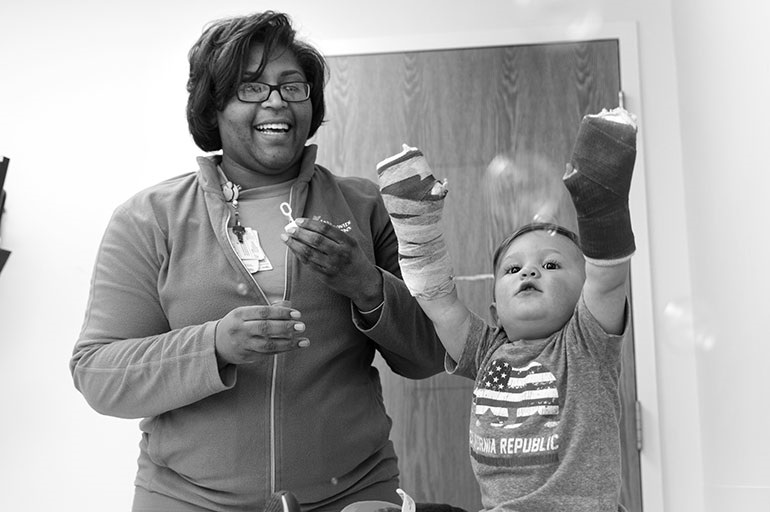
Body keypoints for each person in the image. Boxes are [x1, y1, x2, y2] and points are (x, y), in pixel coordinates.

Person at [69, 11, 446, 512]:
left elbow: (428, 356)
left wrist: (367, 286)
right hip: (186, 498)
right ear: (213, 105)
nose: (276, 100)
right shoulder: (149, 219)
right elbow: (98, 373)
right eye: (251, 87)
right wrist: (214, 345)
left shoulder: (365, 207)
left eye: (293, 86)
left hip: (353, 495)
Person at [376, 107, 638, 511]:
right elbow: (437, 300)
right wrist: (417, 227)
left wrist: (599, 193)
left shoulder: (587, 343)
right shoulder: (487, 350)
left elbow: (608, 277)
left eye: (551, 265)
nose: (529, 270)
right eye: (513, 268)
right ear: (496, 312)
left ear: (584, 297)